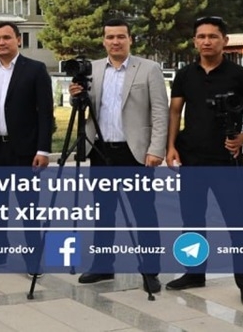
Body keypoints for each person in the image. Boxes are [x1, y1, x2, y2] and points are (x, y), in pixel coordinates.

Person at [164, 16, 243, 307]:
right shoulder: (185, 74)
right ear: (195, 41)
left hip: (226, 161)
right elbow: (175, 112)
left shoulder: (239, 75)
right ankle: (194, 273)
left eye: (213, 36)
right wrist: (171, 146)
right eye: (201, 36)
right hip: (191, 159)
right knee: (191, 222)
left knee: (237, 223)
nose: (206, 41)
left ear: (225, 40)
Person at [71, 16, 168, 290]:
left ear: (130, 39)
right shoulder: (93, 68)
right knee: (103, 213)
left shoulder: (148, 69)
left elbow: (160, 112)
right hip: (100, 151)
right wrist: (75, 95)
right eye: (110, 37)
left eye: (120, 36)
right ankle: (103, 265)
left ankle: (150, 270)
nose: (115, 41)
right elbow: (84, 107)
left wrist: (156, 149)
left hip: (135, 153)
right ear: (104, 40)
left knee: (144, 214)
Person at [0, 21, 53, 275]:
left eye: (6, 37)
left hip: (25, 152)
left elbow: (46, 114)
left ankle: (33, 259)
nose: (1, 43)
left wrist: (43, 150)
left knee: (28, 208)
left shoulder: (35, 70)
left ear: (18, 40)